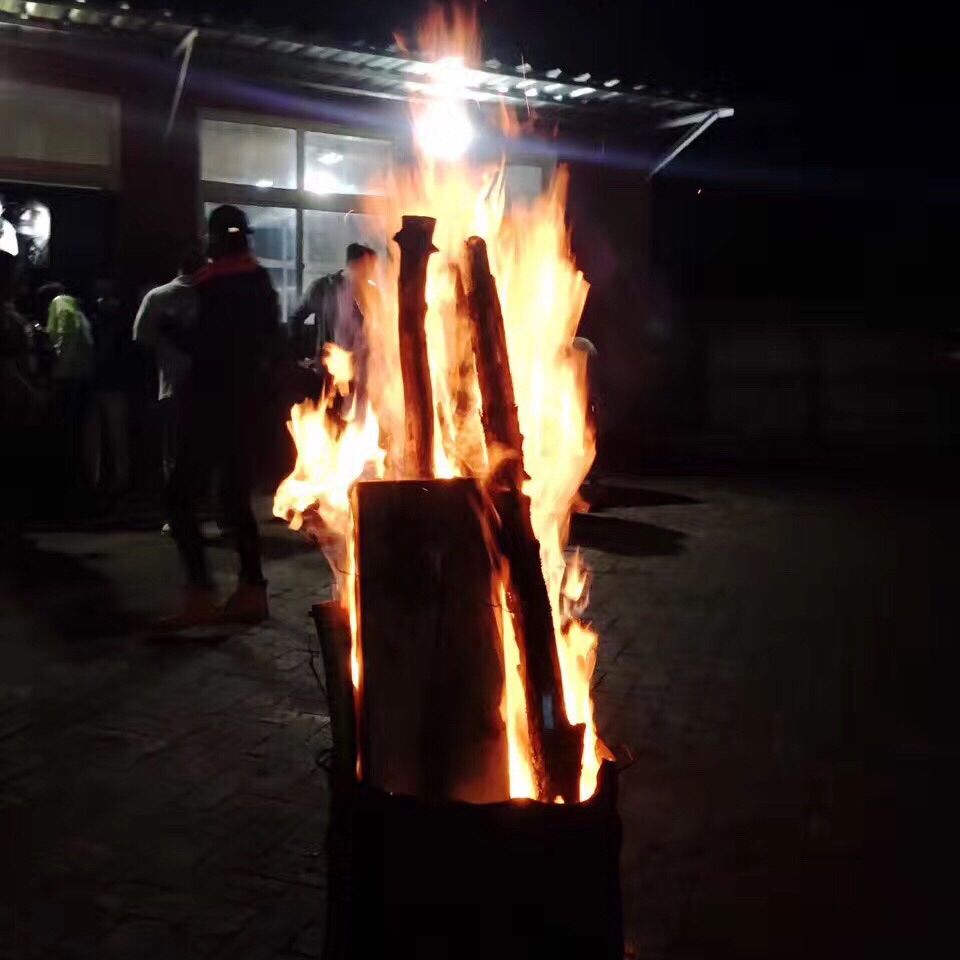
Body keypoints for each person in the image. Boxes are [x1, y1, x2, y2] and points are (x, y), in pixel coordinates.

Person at [163, 206, 282, 627]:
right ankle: (252, 591)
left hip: (209, 407)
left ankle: (200, 593)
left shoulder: (210, 286)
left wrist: (169, 330)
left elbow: (205, 345)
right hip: (246, 408)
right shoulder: (260, 282)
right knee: (235, 500)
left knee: (178, 500)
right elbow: (270, 339)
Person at [133, 247, 205, 521]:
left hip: (172, 385)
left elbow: (141, 338)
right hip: (211, 387)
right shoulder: (212, 296)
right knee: (211, 452)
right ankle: (218, 514)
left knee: (174, 455)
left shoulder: (158, 296)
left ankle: (177, 517)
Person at [288, 242, 377, 411]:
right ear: (354, 264)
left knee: (359, 417)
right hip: (328, 372)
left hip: (362, 374)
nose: (371, 272)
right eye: (369, 266)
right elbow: (296, 318)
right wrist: (297, 356)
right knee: (329, 416)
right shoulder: (323, 288)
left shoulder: (373, 294)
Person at [46, 284, 96, 496]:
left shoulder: (60, 302)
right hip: (81, 374)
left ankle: (68, 487)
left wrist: (58, 362)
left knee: (67, 432)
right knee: (76, 432)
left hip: (68, 375)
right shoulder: (78, 309)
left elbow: (66, 331)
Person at [89, 279, 133, 498]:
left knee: (111, 435)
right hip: (113, 383)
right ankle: (117, 478)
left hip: (108, 382)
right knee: (116, 436)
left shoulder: (100, 319)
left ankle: (115, 479)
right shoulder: (118, 320)